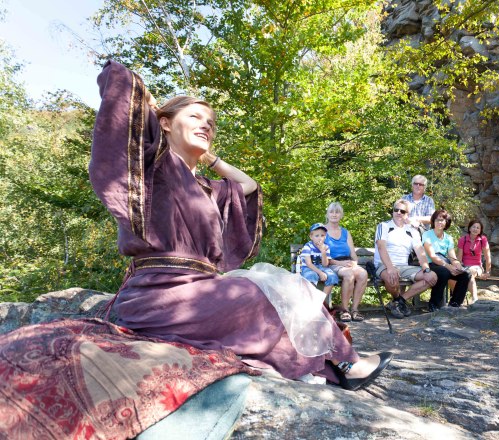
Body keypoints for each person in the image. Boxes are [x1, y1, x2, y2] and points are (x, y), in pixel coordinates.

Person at [90, 60, 391, 391]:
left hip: (200, 289)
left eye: (211, 123)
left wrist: (208, 158)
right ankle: (343, 365)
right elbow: (118, 79)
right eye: (194, 117)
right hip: (159, 294)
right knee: (258, 291)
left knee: (289, 288)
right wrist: (149, 106)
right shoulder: (155, 166)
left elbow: (247, 185)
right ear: (163, 123)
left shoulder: (205, 187)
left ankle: (342, 363)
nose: (206, 126)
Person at [374, 199, 438, 319]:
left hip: (404, 266)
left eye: (402, 211)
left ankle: (398, 302)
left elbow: (420, 251)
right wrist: (390, 267)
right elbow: (381, 248)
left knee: (432, 277)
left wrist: (427, 270)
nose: (398, 213)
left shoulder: (412, 231)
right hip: (384, 265)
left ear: (407, 214)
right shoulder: (384, 226)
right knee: (392, 277)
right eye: (396, 210)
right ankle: (399, 301)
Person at [324, 202, 369, 322]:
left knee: (363, 274)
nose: (334, 214)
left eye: (337, 212)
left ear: (341, 215)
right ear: (327, 214)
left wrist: (355, 262)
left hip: (347, 263)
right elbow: (323, 257)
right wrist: (341, 264)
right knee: (348, 274)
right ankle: (345, 310)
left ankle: (354, 309)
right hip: (332, 264)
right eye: (331, 212)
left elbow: (353, 253)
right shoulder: (322, 231)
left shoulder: (345, 232)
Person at [422, 210, 472, 310]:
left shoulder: (448, 238)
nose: (440, 222)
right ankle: (433, 304)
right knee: (444, 273)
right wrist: (448, 267)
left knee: (466, 274)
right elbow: (432, 256)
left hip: (444, 262)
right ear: (433, 221)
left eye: (442, 220)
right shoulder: (427, 234)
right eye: (437, 220)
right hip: (431, 263)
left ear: (446, 223)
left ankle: (455, 304)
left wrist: (457, 265)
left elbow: (452, 256)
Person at [300, 223, 340, 301]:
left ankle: (320, 301)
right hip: (309, 268)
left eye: (322, 235)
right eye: (317, 236)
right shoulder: (307, 246)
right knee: (311, 276)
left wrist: (323, 252)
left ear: (325, 236)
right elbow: (308, 263)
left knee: (333, 277)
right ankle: (310, 300)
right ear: (311, 237)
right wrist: (320, 273)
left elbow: (325, 264)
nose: (320, 238)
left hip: (322, 267)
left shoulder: (326, 247)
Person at [456, 219, 492, 302]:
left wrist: (487, 272)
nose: (475, 229)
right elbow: (459, 258)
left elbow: (487, 257)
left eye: (478, 228)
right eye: (474, 227)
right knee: (454, 275)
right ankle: (459, 298)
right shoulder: (463, 240)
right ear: (469, 228)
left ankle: (475, 299)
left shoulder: (483, 239)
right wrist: (459, 268)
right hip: (464, 266)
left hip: (477, 266)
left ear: (480, 231)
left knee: (470, 273)